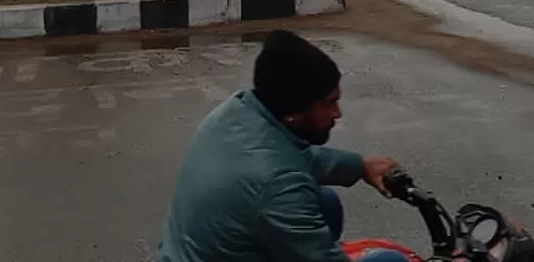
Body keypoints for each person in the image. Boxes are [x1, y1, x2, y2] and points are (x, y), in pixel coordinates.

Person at [157, 30, 407, 262]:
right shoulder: (277, 184)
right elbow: (278, 175)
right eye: (329, 104)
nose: (337, 113)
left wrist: (360, 166)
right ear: (293, 113)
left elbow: (291, 157)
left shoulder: (237, 111)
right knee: (391, 261)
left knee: (324, 201)